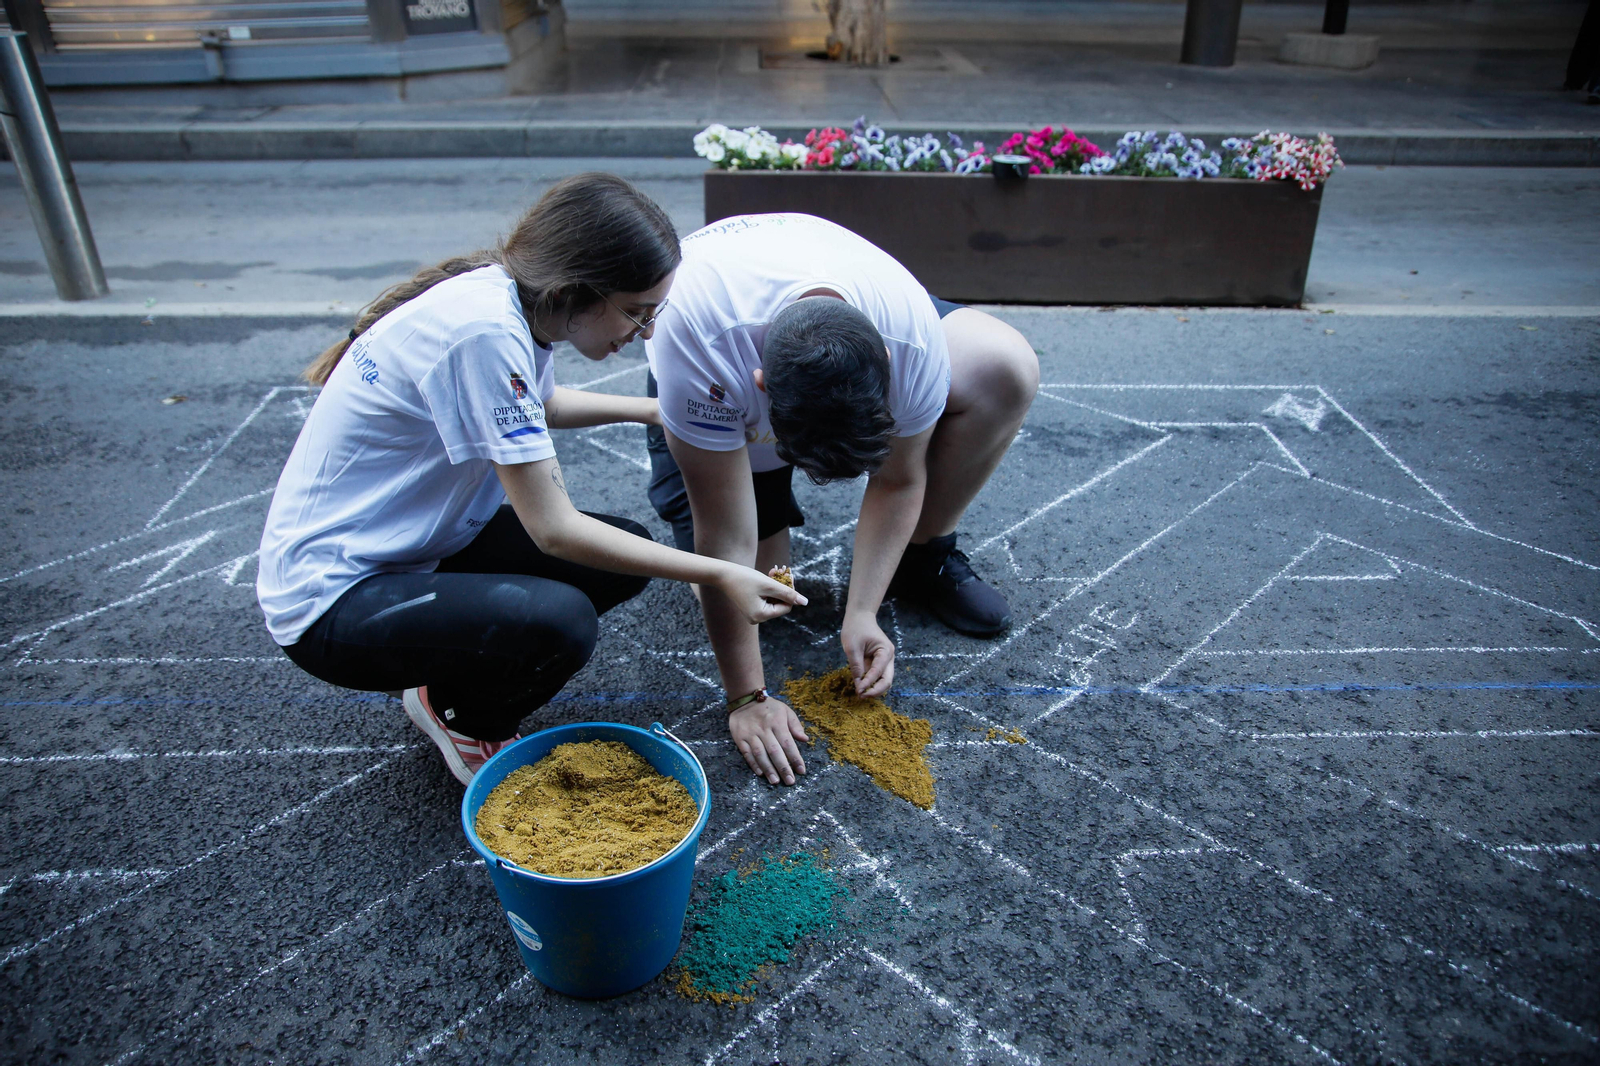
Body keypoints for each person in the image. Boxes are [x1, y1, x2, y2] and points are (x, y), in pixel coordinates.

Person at [257, 174, 804, 786]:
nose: (645, 331)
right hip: (331, 601)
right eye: (636, 311)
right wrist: (722, 570)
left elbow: (540, 403)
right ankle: (459, 715)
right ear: (579, 289)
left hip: (409, 545)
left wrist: (658, 409)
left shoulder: (511, 305)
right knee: (561, 621)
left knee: (619, 550)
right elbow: (554, 531)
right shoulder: (485, 333)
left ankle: (443, 669)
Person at [644, 212, 1038, 788]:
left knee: (1007, 367)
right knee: (759, 586)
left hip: (842, 310)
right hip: (721, 335)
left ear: (887, 371)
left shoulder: (910, 344)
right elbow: (723, 539)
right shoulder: (693, 345)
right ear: (759, 389)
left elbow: (900, 478)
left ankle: (923, 555)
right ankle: (769, 474)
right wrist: (747, 698)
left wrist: (862, 612)